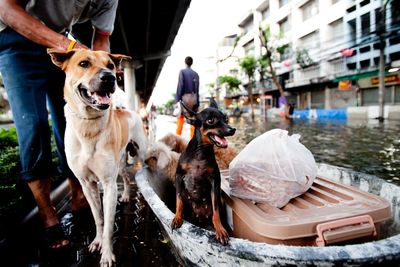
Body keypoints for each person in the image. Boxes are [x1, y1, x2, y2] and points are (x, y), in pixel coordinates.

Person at [0, 0, 119, 249]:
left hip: (64, 42)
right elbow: (6, 8)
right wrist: (71, 47)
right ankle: (48, 216)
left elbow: (102, 39)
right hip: (15, 38)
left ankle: (79, 198)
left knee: (72, 125)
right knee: (32, 128)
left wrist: (99, 67)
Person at [175, 56, 200, 138]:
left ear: (185, 63)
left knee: (180, 118)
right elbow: (197, 90)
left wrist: (178, 99)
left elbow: (180, 85)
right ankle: (192, 141)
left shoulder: (182, 72)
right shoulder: (196, 74)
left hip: (185, 98)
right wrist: (197, 102)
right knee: (193, 120)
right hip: (194, 99)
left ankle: (177, 140)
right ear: (191, 63)